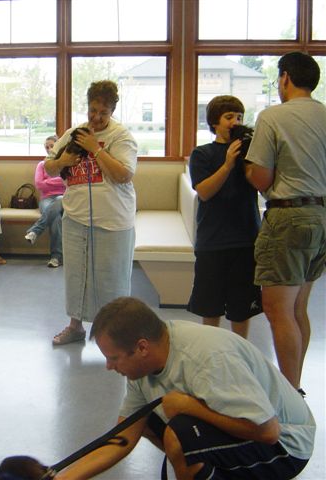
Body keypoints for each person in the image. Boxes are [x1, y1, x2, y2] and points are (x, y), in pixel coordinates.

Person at [57, 297, 315, 480]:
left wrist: (191, 408)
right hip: (250, 428)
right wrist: (64, 478)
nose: (109, 367)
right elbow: (123, 437)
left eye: (113, 358)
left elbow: (269, 431)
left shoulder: (206, 360)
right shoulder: (142, 366)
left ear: (142, 347)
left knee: (180, 435)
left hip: (288, 445)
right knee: (148, 422)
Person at [244, 51, 326, 391]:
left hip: (289, 216)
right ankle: (296, 384)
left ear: (286, 78)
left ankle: (288, 393)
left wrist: (247, 168)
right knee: (298, 309)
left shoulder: (273, 116)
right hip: (321, 216)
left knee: (278, 310)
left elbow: (261, 178)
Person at [44, 80, 137, 346]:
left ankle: (118, 334)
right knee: (77, 277)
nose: (96, 118)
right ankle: (75, 327)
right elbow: (49, 167)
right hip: (75, 218)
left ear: (112, 111)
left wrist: (96, 148)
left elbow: (123, 175)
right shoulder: (74, 133)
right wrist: (62, 161)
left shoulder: (122, 137)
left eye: (103, 113)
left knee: (112, 279)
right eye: (92, 110)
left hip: (112, 221)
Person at [187, 95, 262, 339]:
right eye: (229, 117)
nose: (235, 122)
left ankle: (240, 355)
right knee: (210, 307)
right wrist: (228, 164)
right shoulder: (202, 154)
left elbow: (262, 185)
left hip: (246, 240)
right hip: (213, 242)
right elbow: (205, 192)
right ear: (214, 123)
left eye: (239, 117)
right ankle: (213, 354)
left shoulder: (251, 155)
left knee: (242, 309)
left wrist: (249, 158)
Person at [25, 135, 66, 268]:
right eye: (46, 147)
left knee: (60, 198)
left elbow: (68, 182)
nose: (48, 149)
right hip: (47, 199)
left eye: (51, 146)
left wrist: (48, 181)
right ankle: (56, 257)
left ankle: (35, 230)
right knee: (56, 219)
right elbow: (39, 184)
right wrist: (58, 182)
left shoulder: (66, 163)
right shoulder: (42, 165)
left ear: (58, 146)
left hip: (65, 198)